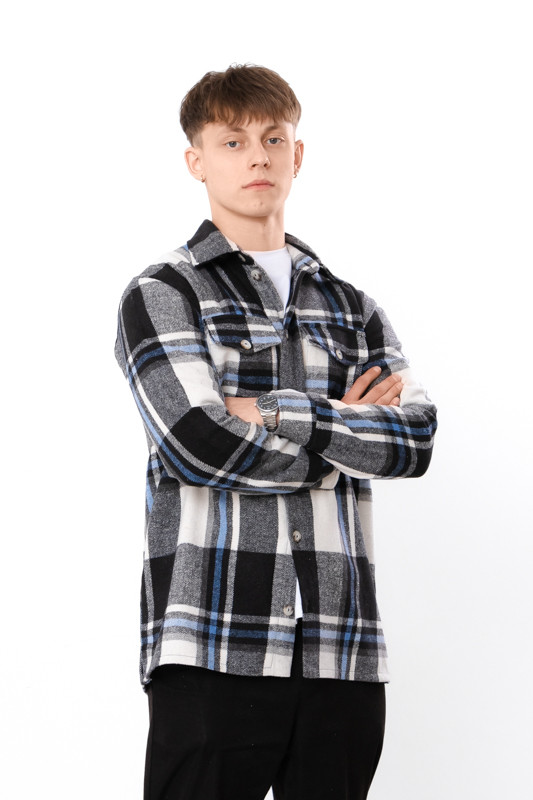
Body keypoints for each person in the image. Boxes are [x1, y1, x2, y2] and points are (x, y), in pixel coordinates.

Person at [115, 64, 437, 800]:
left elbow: (414, 442)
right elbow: (196, 444)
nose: (256, 156)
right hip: (213, 642)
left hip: (340, 648)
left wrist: (273, 411)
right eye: (232, 141)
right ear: (196, 160)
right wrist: (344, 425)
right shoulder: (164, 292)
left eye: (272, 138)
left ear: (298, 154)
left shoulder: (352, 306)